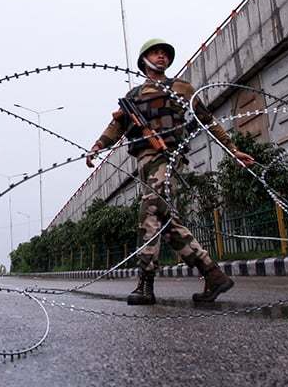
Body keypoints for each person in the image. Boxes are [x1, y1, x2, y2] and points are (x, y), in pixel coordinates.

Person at [87, 38, 254, 305]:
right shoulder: (134, 96)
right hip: (145, 160)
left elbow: (207, 120)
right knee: (166, 222)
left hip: (168, 157)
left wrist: (233, 149)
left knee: (149, 211)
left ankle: (145, 284)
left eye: (165, 53)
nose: (162, 56)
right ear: (144, 60)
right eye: (156, 52)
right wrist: (98, 146)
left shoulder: (181, 88)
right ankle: (213, 275)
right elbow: (116, 125)